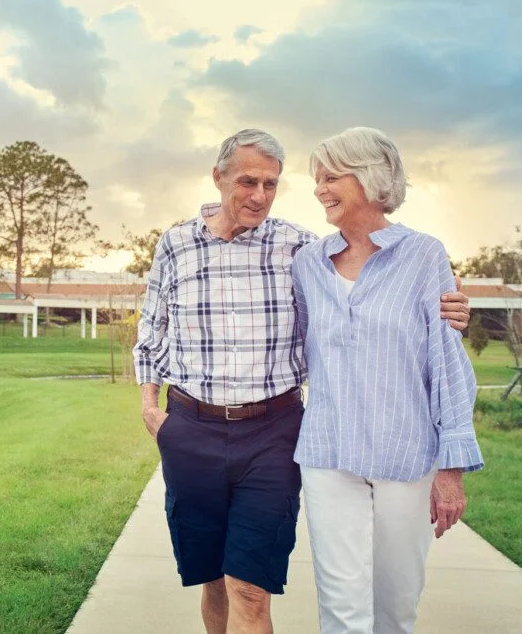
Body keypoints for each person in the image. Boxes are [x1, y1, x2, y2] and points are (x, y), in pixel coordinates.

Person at [133, 129, 470, 634]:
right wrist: (151, 405)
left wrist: (454, 310)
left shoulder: (321, 251)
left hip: (324, 439)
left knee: (281, 590)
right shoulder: (207, 248)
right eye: (249, 181)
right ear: (218, 177)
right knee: (245, 587)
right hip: (253, 440)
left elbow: (425, 340)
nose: (261, 196)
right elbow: (153, 326)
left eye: (273, 184)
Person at [291, 127, 483, 634]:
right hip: (328, 452)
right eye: (316, 178)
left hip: (405, 452)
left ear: (371, 178)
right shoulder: (307, 262)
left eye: (331, 176)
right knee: (341, 606)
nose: (319, 189)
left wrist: (452, 468)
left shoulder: (423, 256)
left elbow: (446, 360)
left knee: (396, 606)